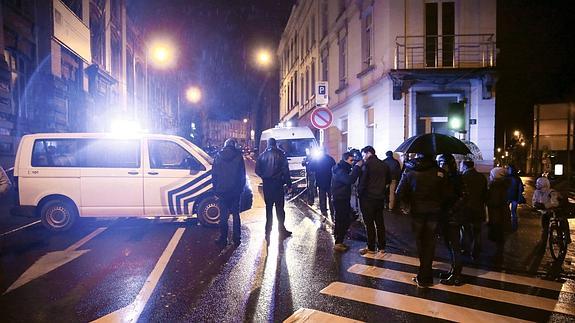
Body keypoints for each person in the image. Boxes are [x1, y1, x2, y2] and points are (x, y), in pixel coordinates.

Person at [397, 154, 447, 288]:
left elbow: (400, 191)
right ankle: (426, 275)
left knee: (420, 242)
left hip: (417, 212)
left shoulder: (410, 171)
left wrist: (407, 204)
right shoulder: (439, 172)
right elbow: (446, 194)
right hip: (434, 212)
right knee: (430, 243)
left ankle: (423, 276)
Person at [437, 154, 466, 286]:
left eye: (443, 164)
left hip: (453, 217)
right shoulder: (446, 178)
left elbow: (462, 197)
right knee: (449, 245)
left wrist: (451, 210)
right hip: (447, 216)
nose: (441, 166)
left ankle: (457, 275)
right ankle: (453, 270)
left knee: (454, 246)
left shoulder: (455, 178)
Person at [255, 138, 293, 237]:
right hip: (278, 185)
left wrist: (264, 176)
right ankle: (281, 229)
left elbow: (257, 170)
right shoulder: (281, 154)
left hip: (267, 186)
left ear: (268, 144)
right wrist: (289, 184)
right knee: (280, 208)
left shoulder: (262, 156)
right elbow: (286, 171)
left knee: (269, 208)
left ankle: (268, 229)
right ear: (275, 144)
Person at [212, 139, 246, 246]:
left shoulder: (218, 156)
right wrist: (240, 189)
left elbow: (214, 175)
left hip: (222, 191)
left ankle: (223, 238)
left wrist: (215, 190)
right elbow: (242, 175)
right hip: (235, 191)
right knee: (236, 215)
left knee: (223, 216)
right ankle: (236, 238)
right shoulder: (238, 156)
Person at [358, 146, 390, 255]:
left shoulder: (366, 165)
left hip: (368, 199)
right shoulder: (384, 165)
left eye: (363, 155)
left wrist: (359, 194)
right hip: (379, 198)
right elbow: (388, 181)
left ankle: (371, 247)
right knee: (380, 223)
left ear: (368, 153)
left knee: (369, 224)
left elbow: (362, 183)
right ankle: (382, 247)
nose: (363, 157)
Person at [331, 152, 363, 252]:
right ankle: (338, 242)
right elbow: (350, 180)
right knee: (342, 220)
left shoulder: (341, 167)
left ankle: (338, 238)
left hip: (341, 197)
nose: (352, 162)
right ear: (345, 159)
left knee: (340, 219)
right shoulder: (339, 170)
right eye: (351, 160)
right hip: (340, 198)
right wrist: (357, 167)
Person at [459, 160, 488, 260]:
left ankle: (464, 248)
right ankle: (475, 251)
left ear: (465, 166)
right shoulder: (481, 177)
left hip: (465, 208)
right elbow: (485, 194)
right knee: (477, 231)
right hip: (478, 208)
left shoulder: (463, 177)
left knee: (465, 229)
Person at [532, 176, 571, 247]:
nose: (537, 185)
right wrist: (537, 205)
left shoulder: (551, 192)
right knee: (546, 225)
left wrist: (544, 206)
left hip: (555, 210)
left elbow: (555, 203)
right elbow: (534, 202)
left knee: (561, 221)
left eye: (539, 183)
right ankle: (545, 238)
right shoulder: (537, 192)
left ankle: (564, 238)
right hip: (547, 211)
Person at [486, 167, 511, 256]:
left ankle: (498, 255)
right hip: (502, 214)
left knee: (498, 235)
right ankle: (499, 253)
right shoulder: (503, 185)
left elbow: (495, 202)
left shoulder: (496, 186)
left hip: (497, 215)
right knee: (500, 235)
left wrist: (487, 200)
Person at [308, 147, 336, 219]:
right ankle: (332, 210)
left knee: (322, 196)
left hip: (320, 180)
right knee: (331, 196)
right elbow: (334, 166)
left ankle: (323, 211)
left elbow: (311, 168)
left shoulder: (317, 159)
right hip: (329, 180)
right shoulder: (330, 158)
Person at [506, 165, 524, 231]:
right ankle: (514, 227)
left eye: (508, 169)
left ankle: (507, 225)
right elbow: (521, 188)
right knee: (514, 212)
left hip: (508, 197)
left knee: (507, 211)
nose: (507, 170)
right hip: (515, 197)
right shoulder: (517, 178)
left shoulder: (507, 178)